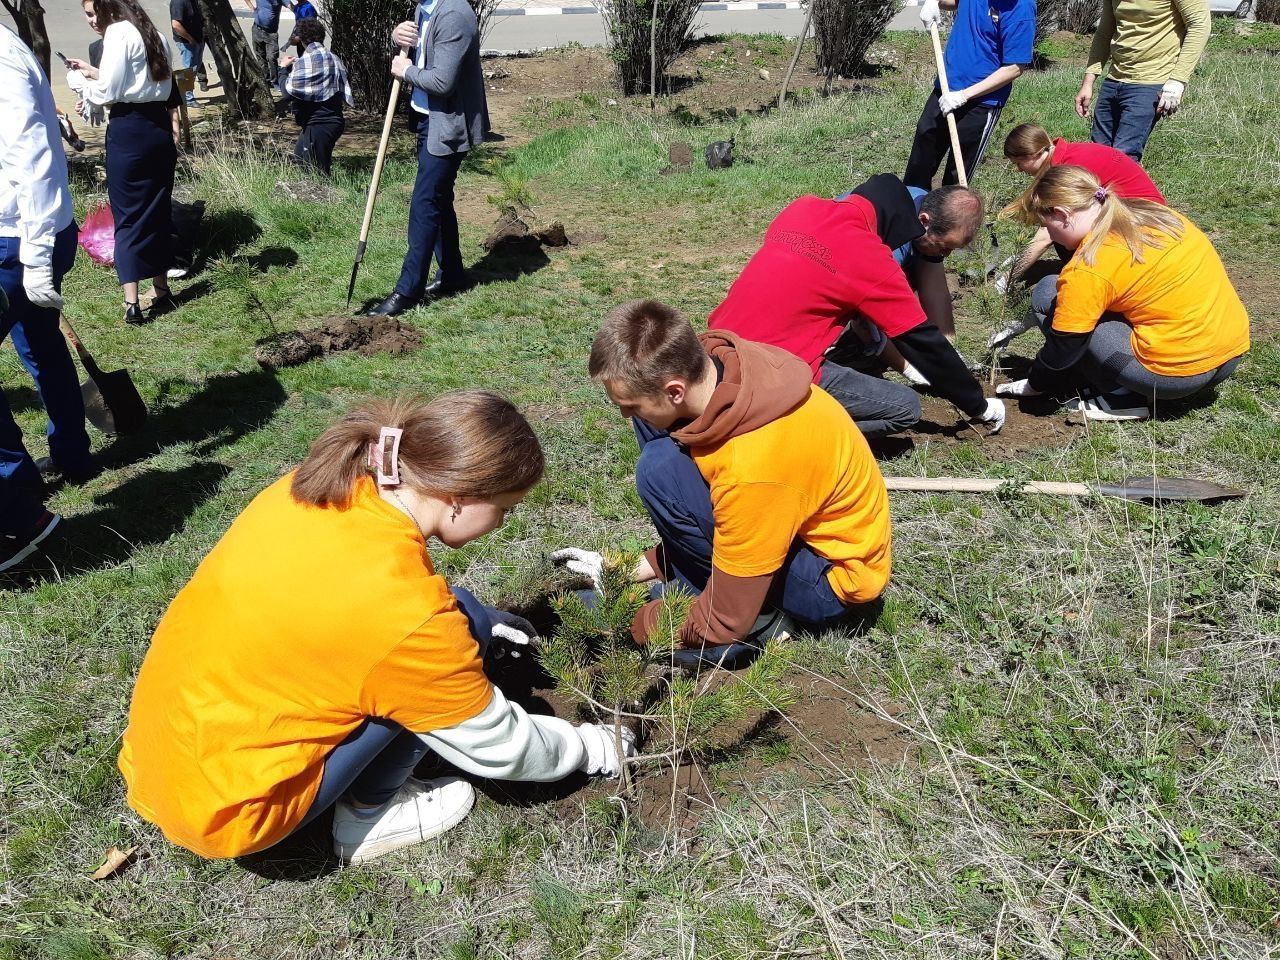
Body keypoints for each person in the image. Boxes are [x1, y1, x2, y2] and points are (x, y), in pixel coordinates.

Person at [118, 392, 633, 863]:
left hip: (170, 754)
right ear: (458, 496)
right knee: (420, 673)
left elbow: (374, 608)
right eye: (503, 509)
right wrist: (588, 747)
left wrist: (474, 623)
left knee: (463, 621)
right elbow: (506, 749)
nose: (501, 524)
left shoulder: (319, 488)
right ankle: (368, 818)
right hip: (235, 807)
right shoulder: (407, 619)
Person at [557, 301, 893, 665]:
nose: (623, 414)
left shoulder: (753, 466)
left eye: (630, 404)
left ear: (674, 391)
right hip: (782, 527)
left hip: (830, 582)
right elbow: (725, 517)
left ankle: (764, 620)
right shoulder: (727, 371)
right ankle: (706, 582)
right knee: (657, 436)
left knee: (659, 470)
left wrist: (631, 626)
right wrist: (628, 569)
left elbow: (724, 621)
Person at [708, 175, 1004, 439]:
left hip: (716, 345)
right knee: (905, 408)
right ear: (916, 221)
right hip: (772, 369)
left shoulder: (803, 208)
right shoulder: (867, 256)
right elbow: (920, 339)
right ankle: (785, 432)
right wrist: (977, 404)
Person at [996, 166, 1249, 421]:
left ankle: (1121, 398)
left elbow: (1064, 348)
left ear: (1063, 215)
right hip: (1229, 355)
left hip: (1175, 375)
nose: (1049, 235)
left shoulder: (1089, 267)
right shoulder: (1156, 215)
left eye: (1045, 225)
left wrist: (1035, 383)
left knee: (1048, 292)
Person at [1, 24, 98, 572]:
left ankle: (17, 508)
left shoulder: (2, 61)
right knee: (39, 344)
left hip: (19, 238)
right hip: (25, 233)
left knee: (38, 344)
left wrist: (36, 254)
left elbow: (33, 152)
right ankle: (71, 455)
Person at [990, 123, 1167, 348]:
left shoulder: (1068, 167)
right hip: (1128, 212)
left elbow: (1046, 235)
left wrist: (1009, 274)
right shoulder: (1063, 155)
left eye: (1018, 163)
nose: (1018, 170)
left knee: (1064, 236)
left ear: (1034, 154)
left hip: (1144, 223)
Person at [366, 0, 489, 317]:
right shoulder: (426, 8)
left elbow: (443, 82)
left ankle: (407, 292)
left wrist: (405, 70)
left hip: (448, 126)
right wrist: (402, 38)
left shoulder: (454, 15)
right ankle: (452, 275)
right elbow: (430, 50)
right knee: (438, 200)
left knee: (424, 205)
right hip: (427, 120)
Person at [66, 0, 180, 326]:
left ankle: (132, 303)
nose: (90, 20)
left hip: (129, 130)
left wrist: (79, 82)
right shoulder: (153, 33)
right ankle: (161, 288)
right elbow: (143, 82)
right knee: (157, 210)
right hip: (157, 129)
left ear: (106, 8)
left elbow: (107, 92)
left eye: (91, 13)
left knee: (127, 215)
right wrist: (94, 72)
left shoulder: (117, 32)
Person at [906, 0, 1036, 189]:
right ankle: (909, 209)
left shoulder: (1021, 8)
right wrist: (935, 1)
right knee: (921, 159)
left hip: (982, 102)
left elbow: (1015, 67)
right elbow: (955, 2)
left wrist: (964, 95)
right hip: (946, 87)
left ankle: (948, 216)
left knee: (956, 175)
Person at [1075, 0, 1210, 161]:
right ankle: (1101, 187)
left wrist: (1178, 81)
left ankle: (1124, 186)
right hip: (1114, 79)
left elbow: (1200, 25)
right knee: (1099, 152)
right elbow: (1105, 31)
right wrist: (1088, 82)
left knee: (1123, 157)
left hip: (1150, 82)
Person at [278, 18, 351, 176]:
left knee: (317, 172)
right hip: (331, 122)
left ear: (300, 39)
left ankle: (327, 199)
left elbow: (287, 92)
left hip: (320, 124)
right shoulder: (333, 58)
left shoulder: (307, 61)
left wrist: (283, 69)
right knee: (300, 156)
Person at [170, 0, 206, 105]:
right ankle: (188, 98)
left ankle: (187, 95)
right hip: (187, 43)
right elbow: (176, 25)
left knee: (194, 69)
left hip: (197, 40)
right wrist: (190, 39)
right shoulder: (179, 2)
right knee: (188, 70)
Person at [244, 0, 284, 87]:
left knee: (271, 57)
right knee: (260, 56)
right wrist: (252, 8)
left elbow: (292, 7)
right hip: (257, 29)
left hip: (271, 33)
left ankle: (274, 81)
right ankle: (266, 79)